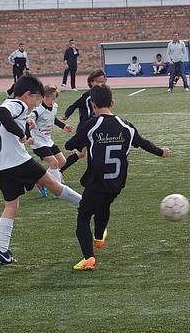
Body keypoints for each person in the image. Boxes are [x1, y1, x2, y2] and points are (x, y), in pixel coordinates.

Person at [65, 85, 170, 270]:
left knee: (83, 216)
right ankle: (98, 237)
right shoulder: (126, 126)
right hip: (116, 182)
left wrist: (84, 142)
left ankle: (88, 258)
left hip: (96, 181)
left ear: (92, 104)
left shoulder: (92, 125)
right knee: (104, 205)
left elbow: (69, 144)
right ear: (112, 103)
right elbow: (142, 142)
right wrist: (160, 152)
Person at [0, 74, 82, 265]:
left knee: (11, 205)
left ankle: (1, 250)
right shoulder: (18, 105)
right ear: (27, 95)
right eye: (36, 98)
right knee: (53, 184)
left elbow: (8, 114)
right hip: (17, 160)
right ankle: (87, 205)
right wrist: (21, 133)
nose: (36, 103)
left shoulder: (13, 103)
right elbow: (1, 112)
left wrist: (25, 124)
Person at [59, 68, 108, 176]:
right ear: (91, 82)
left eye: (102, 81)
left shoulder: (103, 95)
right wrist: (67, 114)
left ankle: (59, 170)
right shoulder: (87, 96)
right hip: (85, 128)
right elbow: (74, 105)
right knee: (91, 151)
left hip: (96, 127)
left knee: (83, 153)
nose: (100, 83)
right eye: (98, 81)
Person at [27, 84, 73, 197]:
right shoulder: (38, 111)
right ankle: (57, 190)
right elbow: (27, 122)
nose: (50, 100)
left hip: (48, 140)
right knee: (54, 162)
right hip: (38, 142)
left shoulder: (55, 107)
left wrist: (63, 126)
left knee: (62, 161)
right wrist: (29, 137)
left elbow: (53, 118)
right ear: (43, 97)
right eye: (47, 97)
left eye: (53, 98)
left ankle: (41, 182)